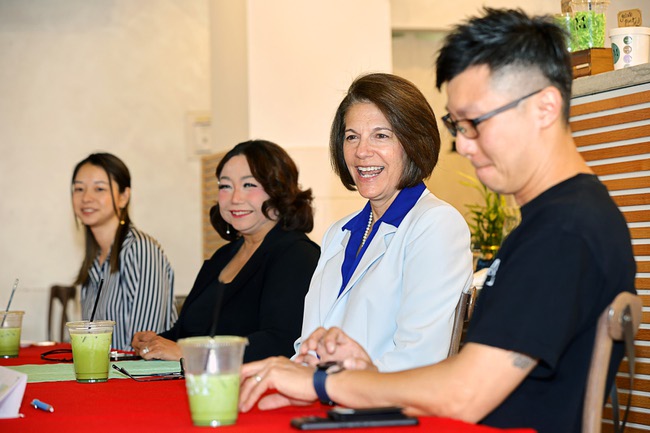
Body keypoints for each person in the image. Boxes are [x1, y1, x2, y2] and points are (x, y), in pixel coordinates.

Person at [237, 9, 637, 433]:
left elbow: (464, 392)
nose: (463, 145)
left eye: (476, 123)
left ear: (544, 107)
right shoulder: (549, 222)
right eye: (457, 125)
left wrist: (325, 382)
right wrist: (360, 372)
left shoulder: (565, 230)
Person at [293, 73, 473, 372]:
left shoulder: (437, 225)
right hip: (326, 404)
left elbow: (419, 359)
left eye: (381, 135)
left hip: (385, 410)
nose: (362, 151)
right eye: (352, 136)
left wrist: (321, 385)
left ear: (414, 142)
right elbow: (308, 345)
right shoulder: (339, 232)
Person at [131, 139, 320, 363]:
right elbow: (187, 334)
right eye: (225, 186)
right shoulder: (222, 257)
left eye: (249, 185)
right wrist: (155, 342)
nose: (235, 198)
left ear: (279, 191)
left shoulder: (297, 255)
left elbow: (281, 341)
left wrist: (194, 354)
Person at [72, 153, 177, 351]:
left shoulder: (140, 250)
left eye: (99, 188)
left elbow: (146, 346)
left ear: (123, 197)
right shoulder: (94, 260)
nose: (86, 198)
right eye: (79, 189)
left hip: (139, 378)